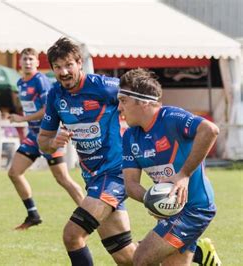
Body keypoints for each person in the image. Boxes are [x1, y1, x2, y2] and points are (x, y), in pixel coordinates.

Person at [38, 37, 136, 265]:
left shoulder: (104, 87)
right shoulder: (55, 96)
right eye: (57, 67)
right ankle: (193, 252)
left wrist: (130, 118)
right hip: (92, 178)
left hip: (116, 173)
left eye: (68, 65)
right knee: (125, 256)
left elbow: (143, 99)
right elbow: (43, 140)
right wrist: (53, 143)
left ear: (79, 63)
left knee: (72, 235)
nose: (63, 72)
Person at [118, 68, 222, 265]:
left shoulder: (170, 118)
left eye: (123, 101)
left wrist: (183, 174)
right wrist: (152, 200)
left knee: (141, 258)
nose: (119, 108)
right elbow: (131, 185)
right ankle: (204, 254)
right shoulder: (130, 136)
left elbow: (210, 130)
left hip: (194, 208)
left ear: (144, 101)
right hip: (174, 210)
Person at [8, 47, 84, 230]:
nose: (27, 62)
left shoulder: (41, 81)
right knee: (14, 173)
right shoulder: (20, 83)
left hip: (50, 135)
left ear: (37, 63)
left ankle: (90, 213)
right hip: (34, 136)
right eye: (24, 59)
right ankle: (33, 214)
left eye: (30, 59)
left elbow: (47, 110)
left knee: (63, 179)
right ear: (20, 62)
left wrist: (22, 118)